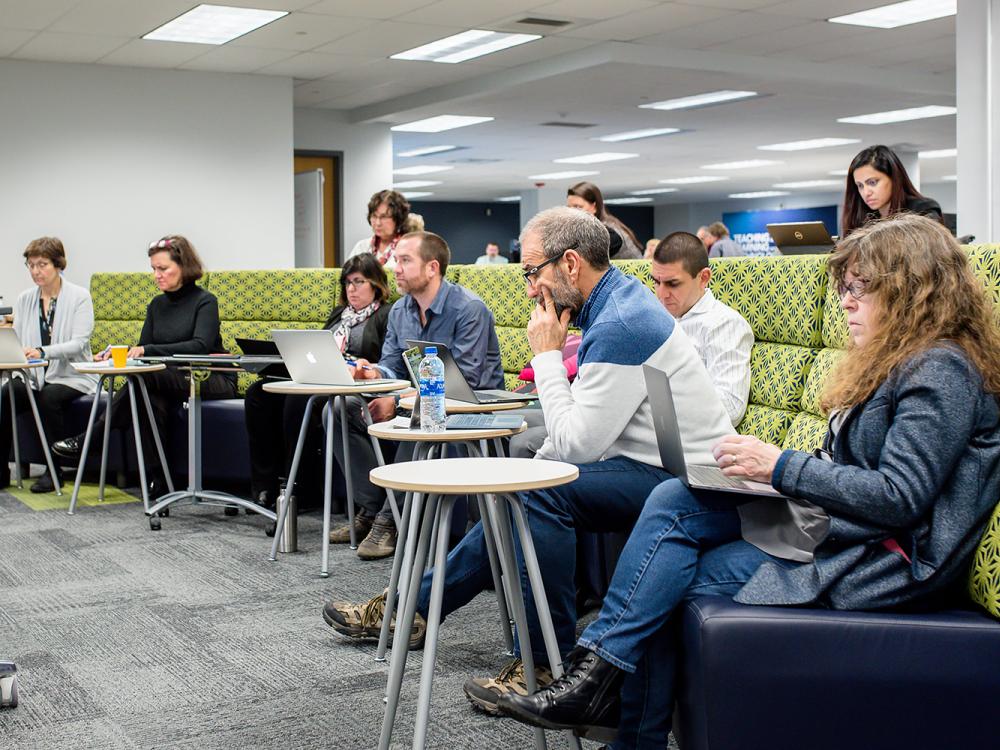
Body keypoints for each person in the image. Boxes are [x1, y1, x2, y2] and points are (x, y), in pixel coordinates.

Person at [496, 213, 1000, 748]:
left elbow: (899, 498)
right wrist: (777, 469)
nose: (847, 302)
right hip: (841, 530)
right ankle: (597, 677)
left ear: (914, 293)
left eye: (862, 290)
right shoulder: (908, 361)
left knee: (663, 576)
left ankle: (600, 685)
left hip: (877, 559)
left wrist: (780, 467)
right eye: (846, 289)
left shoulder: (941, 371)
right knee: (673, 497)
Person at [322, 207, 733, 715]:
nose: (529, 287)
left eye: (531, 272)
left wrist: (545, 357)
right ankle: (414, 608)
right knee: (517, 488)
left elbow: (578, 443)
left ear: (571, 264)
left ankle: (542, 661)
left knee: (538, 491)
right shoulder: (613, 306)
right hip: (643, 462)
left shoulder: (621, 322)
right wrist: (525, 464)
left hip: (684, 480)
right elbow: (581, 432)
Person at [326, 231, 503, 559]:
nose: (396, 267)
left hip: (471, 408)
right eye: (397, 260)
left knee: (420, 415)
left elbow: (465, 381)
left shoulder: (468, 309)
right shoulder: (400, 311)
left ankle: (391, 518)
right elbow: (392, 366)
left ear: (433, 267)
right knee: (339, 408)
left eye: (405, 260)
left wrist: (396, 401)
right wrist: (371, 373)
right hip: (414, 400)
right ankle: (377, 507)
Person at [53, 236, 236, 499]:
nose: (156, 275)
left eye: (163, 269)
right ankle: (160, 480)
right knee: (148, 395)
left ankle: (92, 440)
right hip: (166, 380)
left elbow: (200, 346)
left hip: (209, 376)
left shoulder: (205, 301)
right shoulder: (156, 305)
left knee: (145, 380)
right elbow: (143, 350)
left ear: (183, 266)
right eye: (153, 269)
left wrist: (147, 351)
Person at [243, 254, 393, 508]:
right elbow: (317, 349)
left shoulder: (385, 314)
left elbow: (383, 361)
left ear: (376, 284)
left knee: (297, 401)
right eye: (347, 283)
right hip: (320, 376)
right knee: (258, 393)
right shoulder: (339, 314)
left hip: (354, 383)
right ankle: (265, 485)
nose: (351, 289)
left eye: (358, 282)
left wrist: (358, 364)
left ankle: (299, 487)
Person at [0, 237, 98, 492]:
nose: (35, 271)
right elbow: (20, 338)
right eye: (31, 265)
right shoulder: (25, 299)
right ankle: (1, 470)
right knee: (6, 393)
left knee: (48, 397)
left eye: (42, 264)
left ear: (58, 264)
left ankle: (53, 470)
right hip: (35, 375)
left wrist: (43, 351)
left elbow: (78, 344)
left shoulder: (79, 297)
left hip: (73, 375)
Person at [651, 232, 753, 425]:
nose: (662, 294)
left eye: (673, 284)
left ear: (703, 277)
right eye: (656, 282)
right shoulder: (657, 317)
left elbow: (731, 408)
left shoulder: (724, 324)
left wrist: (662, 398)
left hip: (692, 442)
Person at [842, 144, 943, 237]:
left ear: (894, 179)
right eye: (860, 185)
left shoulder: (924, 210)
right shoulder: (862, 218)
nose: (866, 193)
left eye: (872, 182)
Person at [567, 181, 643, 259]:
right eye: (569, 208)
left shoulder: (609, 231)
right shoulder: (591, 229)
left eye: (578, 207)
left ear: (594, 207)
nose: (572, 212)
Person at [346, 190, 412, 269]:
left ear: (398, 218)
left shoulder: (409, 247)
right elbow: (347, 276)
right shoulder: (362, 247)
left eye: (384, 217)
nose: (378, 223)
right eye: (374, 216)